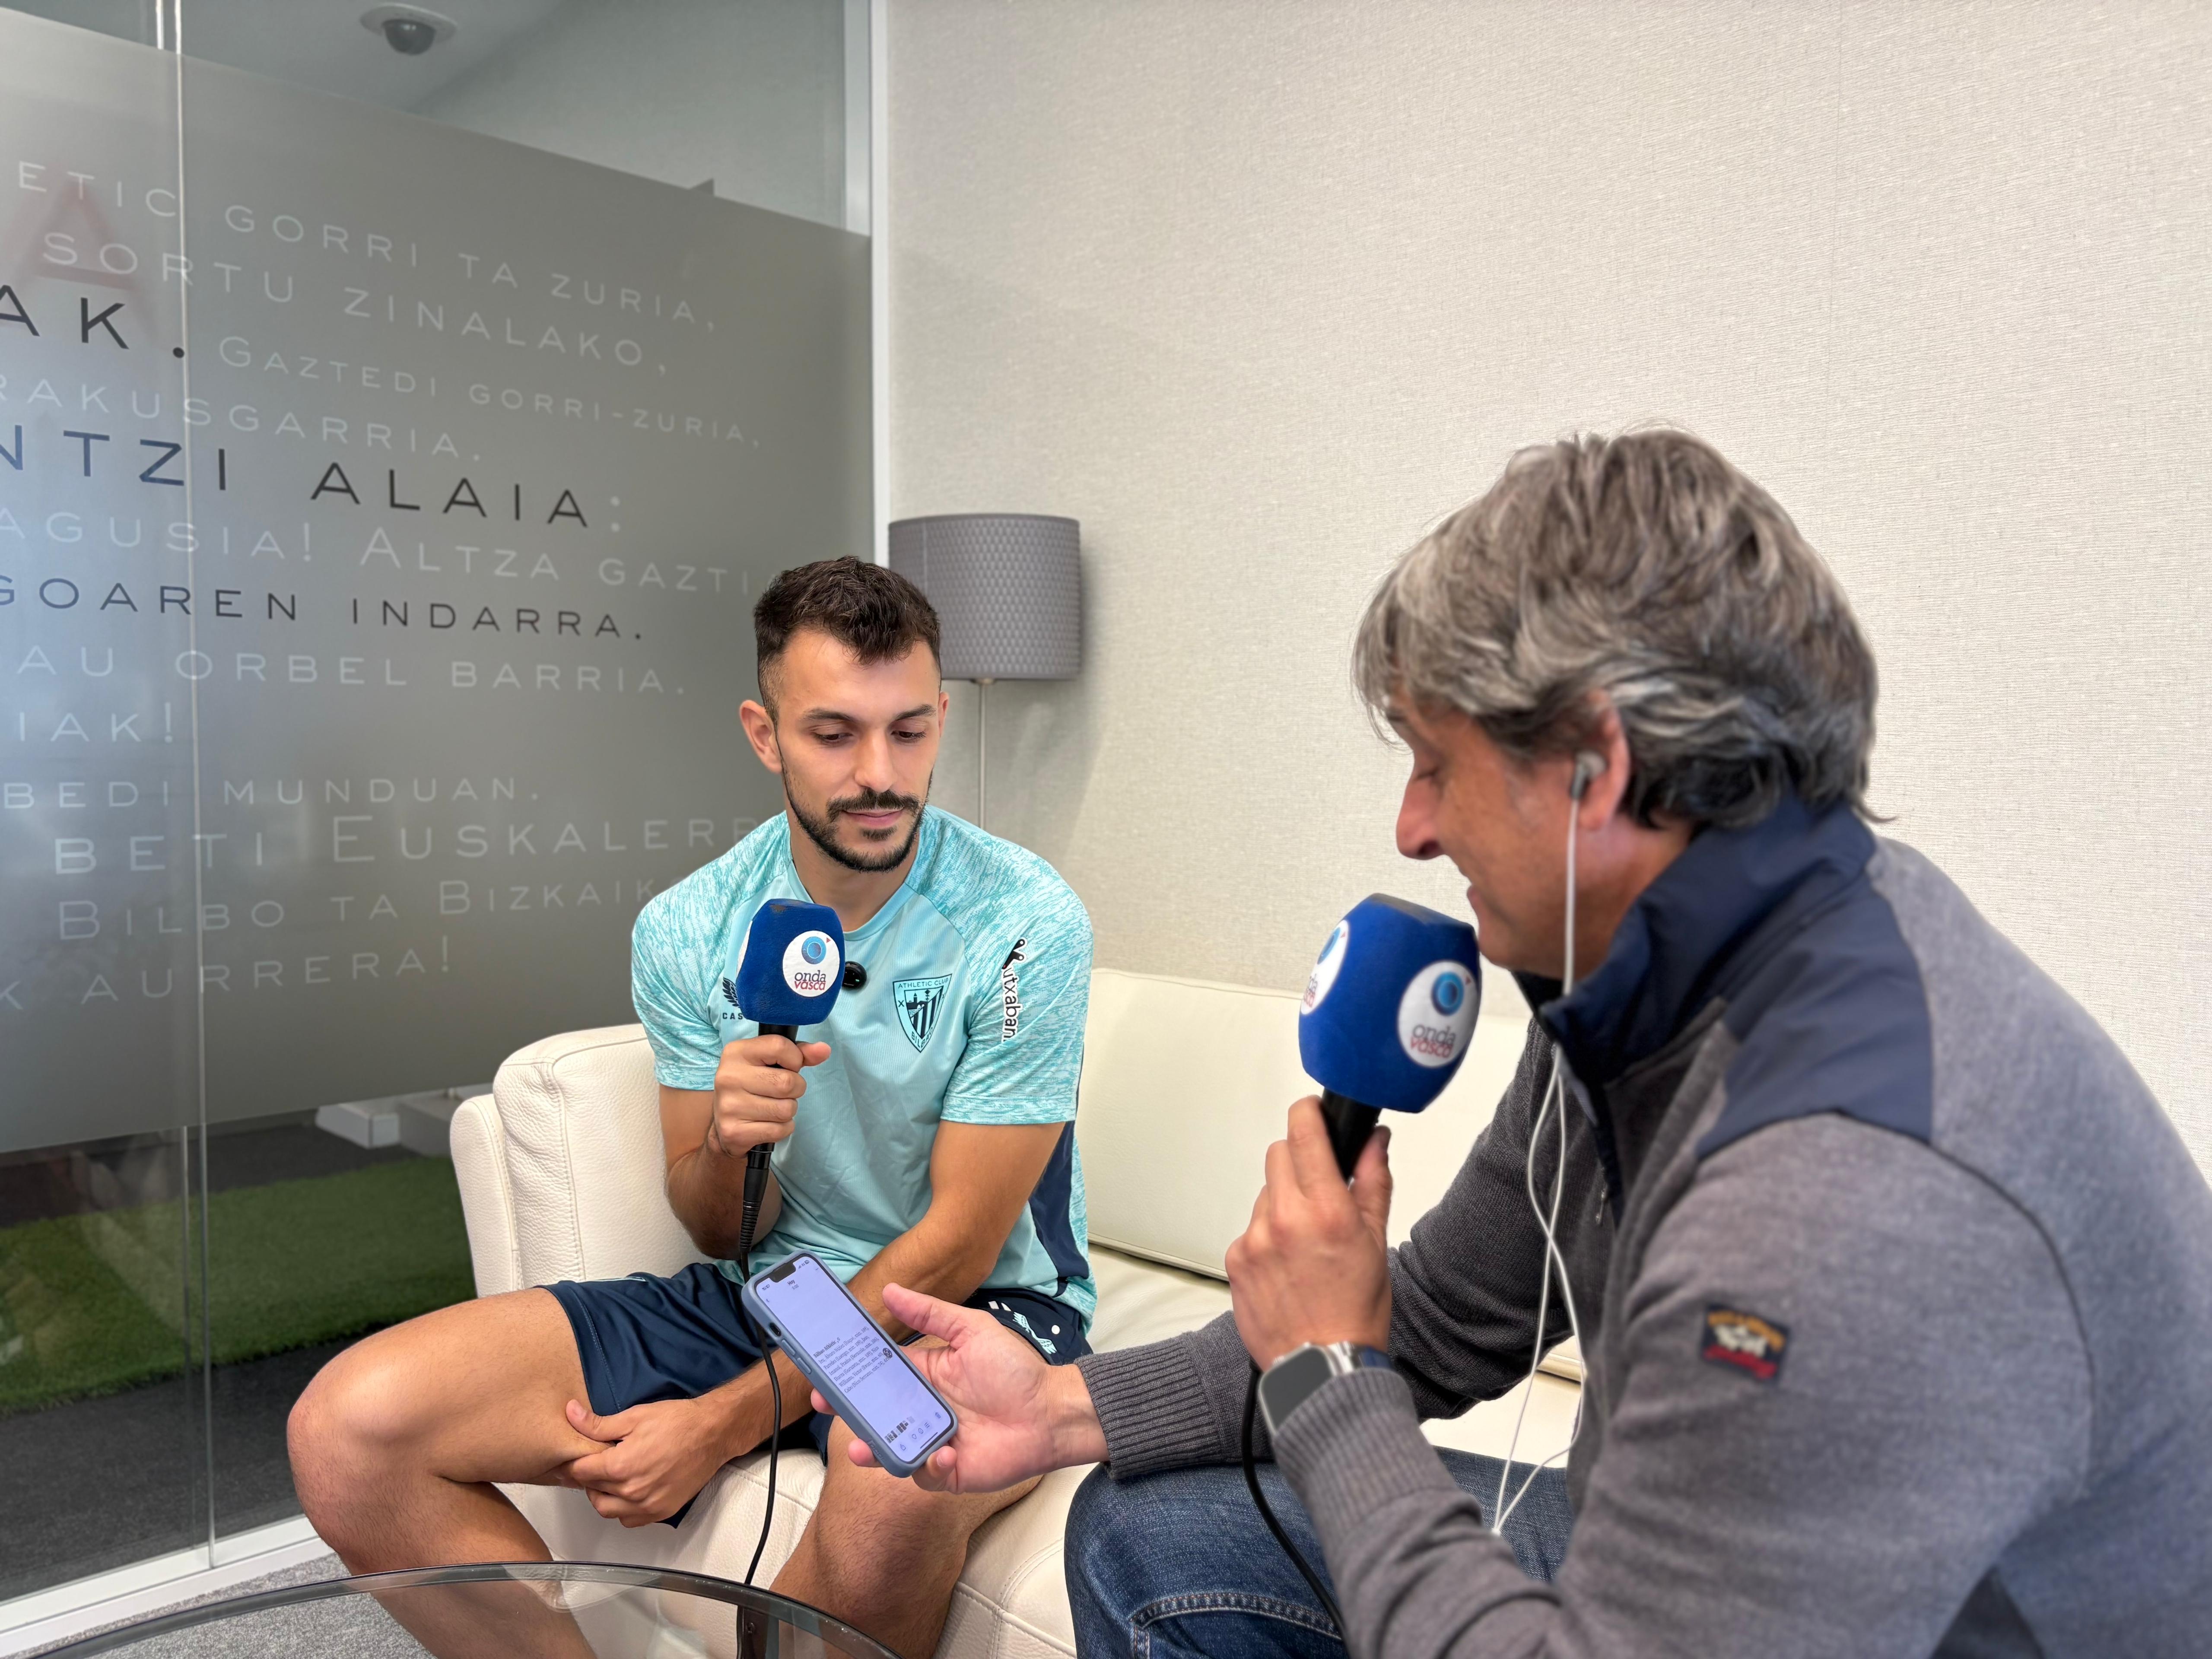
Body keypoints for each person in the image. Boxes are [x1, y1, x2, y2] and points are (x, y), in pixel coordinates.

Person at [834, 432, 2212, 1657]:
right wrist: (1059, 1407)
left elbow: (1363, 1368)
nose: (1411, 829)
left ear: (1598, 770)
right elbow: (1448, 1315)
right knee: (1153, 1541)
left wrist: (1326, 1375)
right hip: (1743, 1567)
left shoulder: (1842, 1192)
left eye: (1437, 764)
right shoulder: (1645, 970)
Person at [289, 557, 1096, 1659]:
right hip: (772, 1292)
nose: (879, 774)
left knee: (890, 1492)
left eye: (908, 732)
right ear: (765, 735)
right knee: (349, 1434)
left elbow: (958, 1244)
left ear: (942, 719)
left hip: (977, 1309)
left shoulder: (1024, 920)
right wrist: (725, 1142)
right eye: (833, 734)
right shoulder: (689, 926)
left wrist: (724, 1422)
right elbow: (719, 1229)